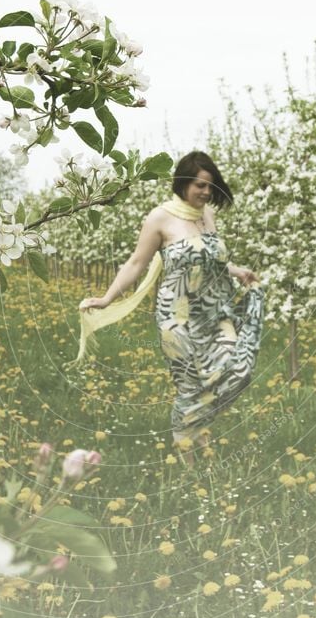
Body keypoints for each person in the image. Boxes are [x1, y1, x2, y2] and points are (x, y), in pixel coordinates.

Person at [77, 151, 265, 464]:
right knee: (190, 384)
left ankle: (197, 425)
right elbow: (137, 262)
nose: (205, 192)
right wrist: (107, 298)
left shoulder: (207, 216)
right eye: (199, 185)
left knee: (238, 371)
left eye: (210, 186)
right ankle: (187, 454)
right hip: (176, 317)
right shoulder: (160, 218)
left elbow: (207, 257)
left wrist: (236, 271)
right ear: (182, 183)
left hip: (214, 312)